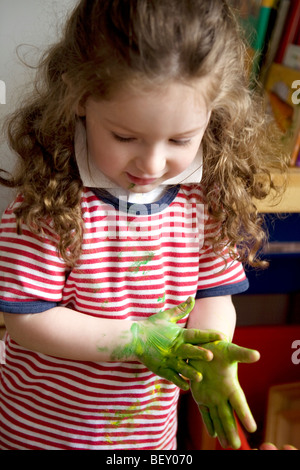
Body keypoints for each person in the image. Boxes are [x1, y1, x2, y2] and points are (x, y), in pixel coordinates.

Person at [0, 0, 286, 450]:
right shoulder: (50, 199)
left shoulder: (204, 195)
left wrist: (208, 350)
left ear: (214, 114)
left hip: (149, 436)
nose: (153, 164)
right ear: (79, 96)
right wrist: (137, 340)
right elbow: (27, 320)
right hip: (46, 433)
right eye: (124, 136)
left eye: (180, 140)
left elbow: (215, 295)